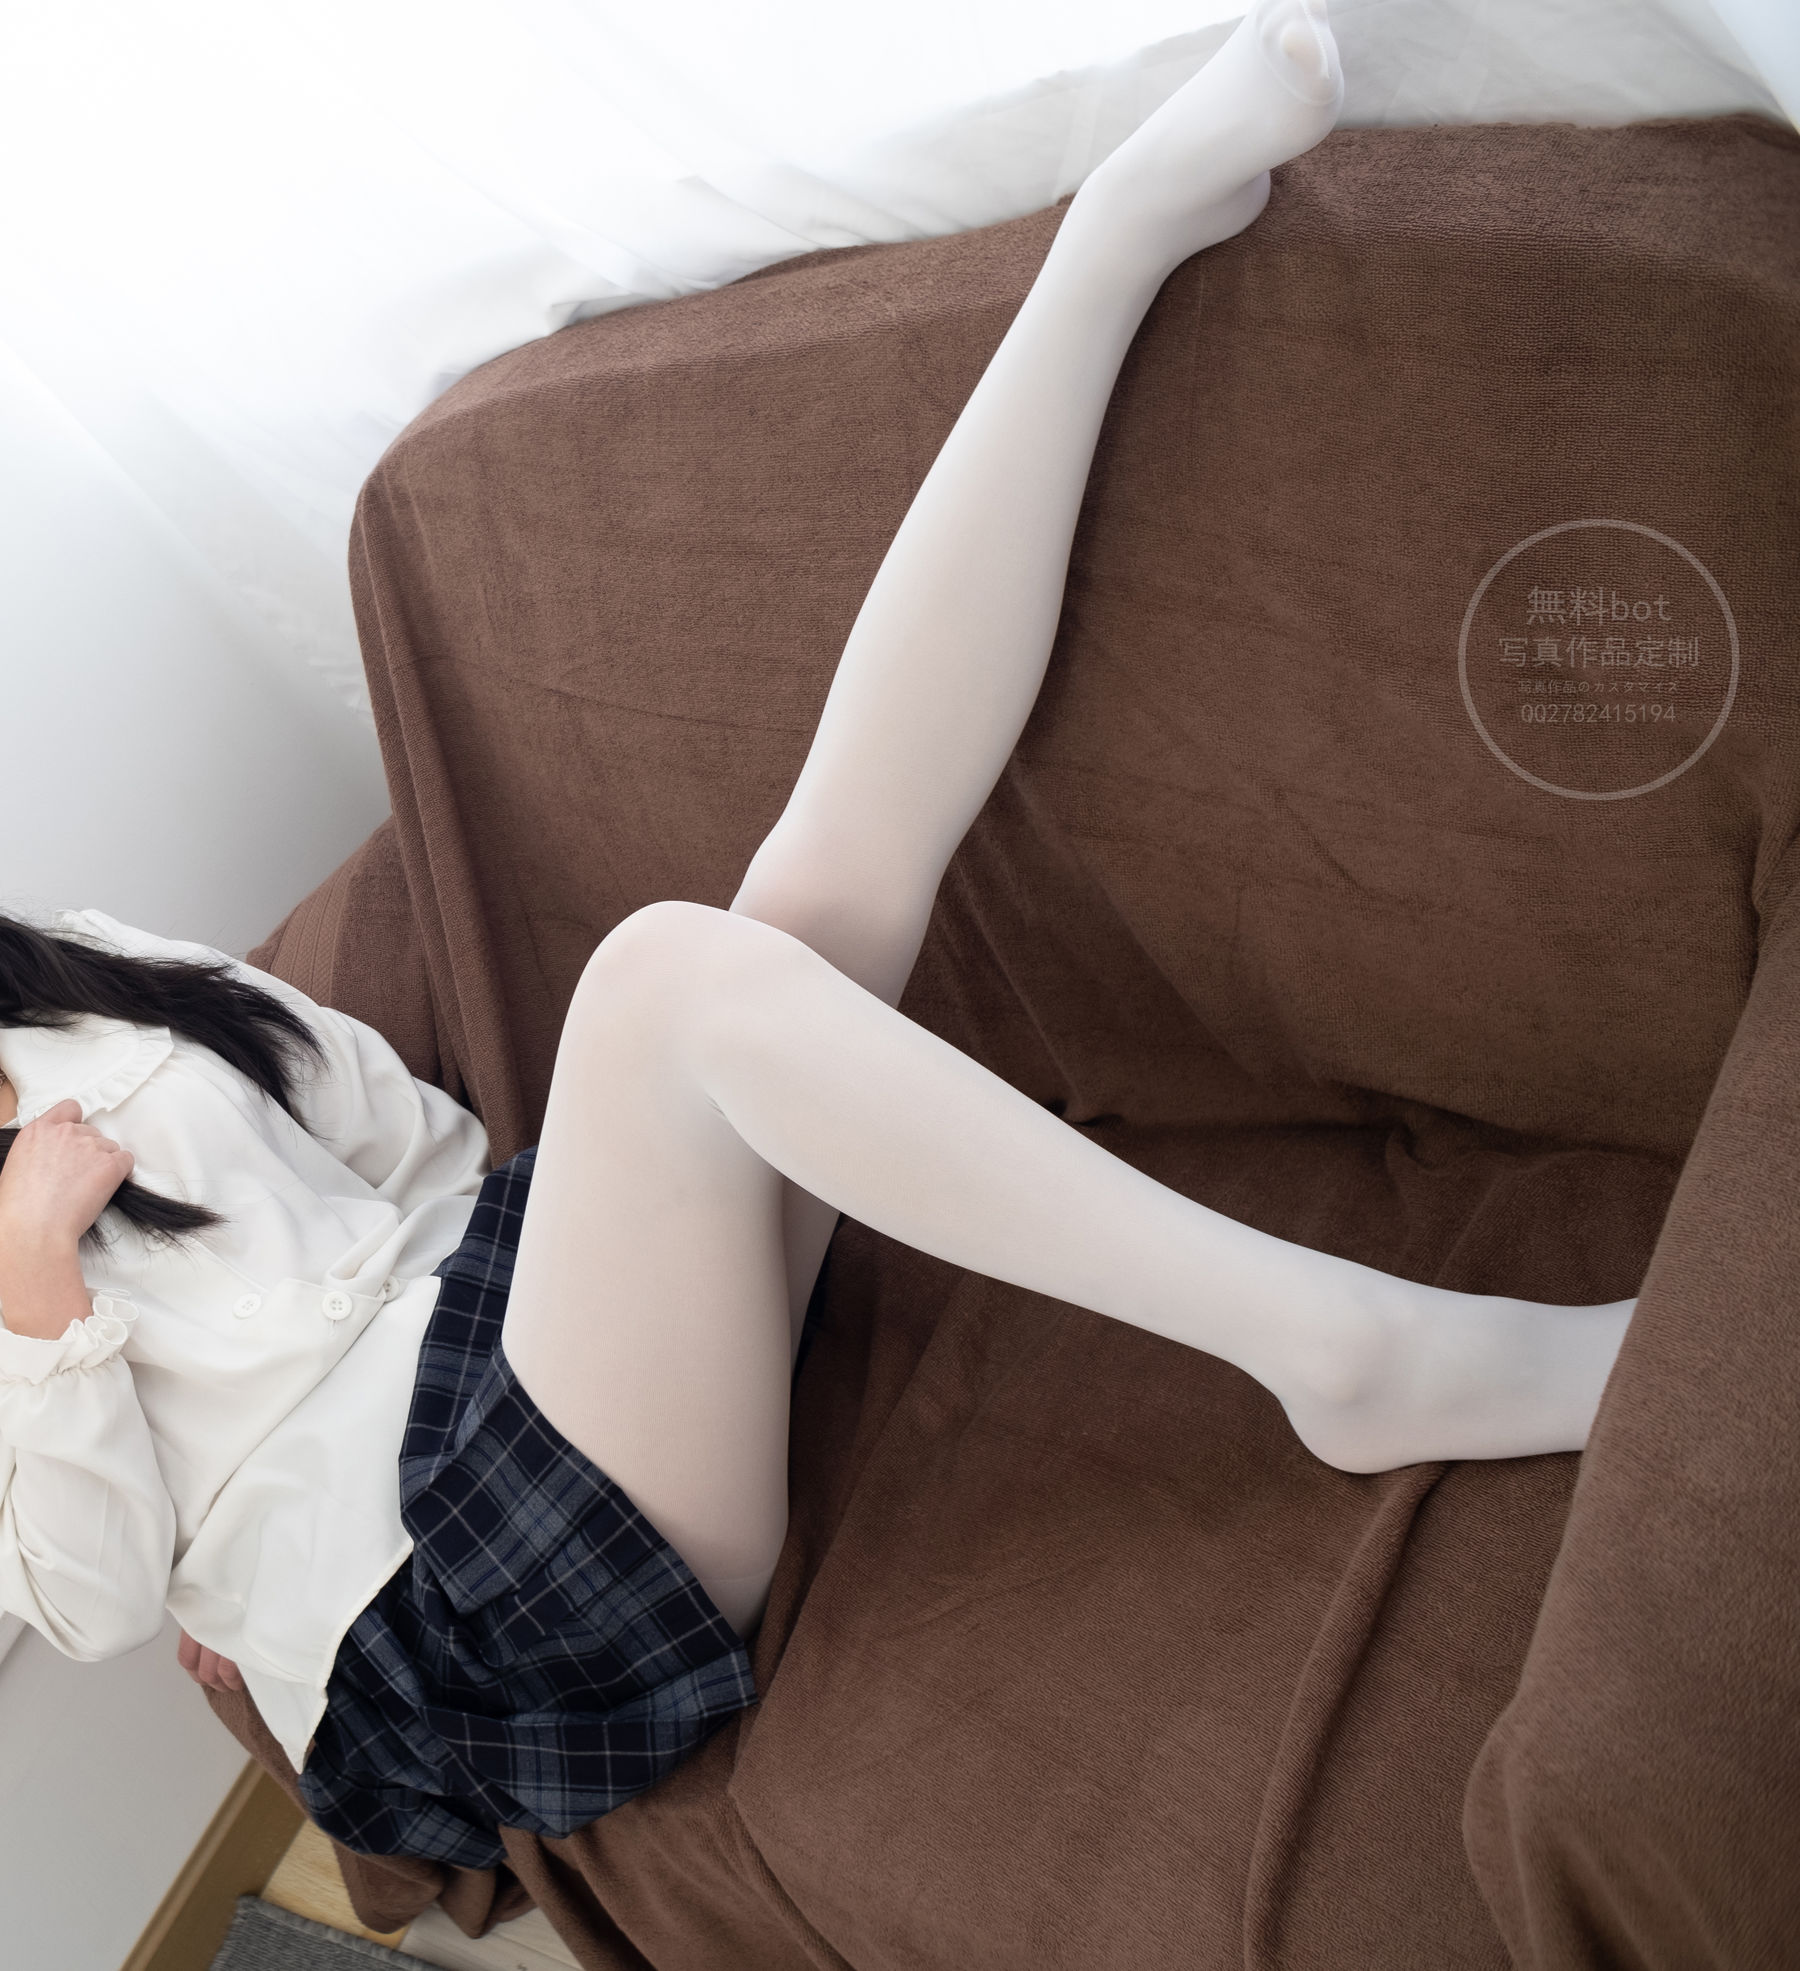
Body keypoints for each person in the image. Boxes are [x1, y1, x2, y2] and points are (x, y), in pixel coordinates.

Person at [0, 0, 1635, 1871]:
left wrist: (599, 1263)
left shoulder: (62, 979)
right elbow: (91, 1598)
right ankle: (1352, 1356)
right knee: (668, 979)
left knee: (811, 896)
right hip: (455, 1614)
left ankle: (1111, 245)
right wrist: (37, 1292)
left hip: (515, 1356)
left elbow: (404, 1146)